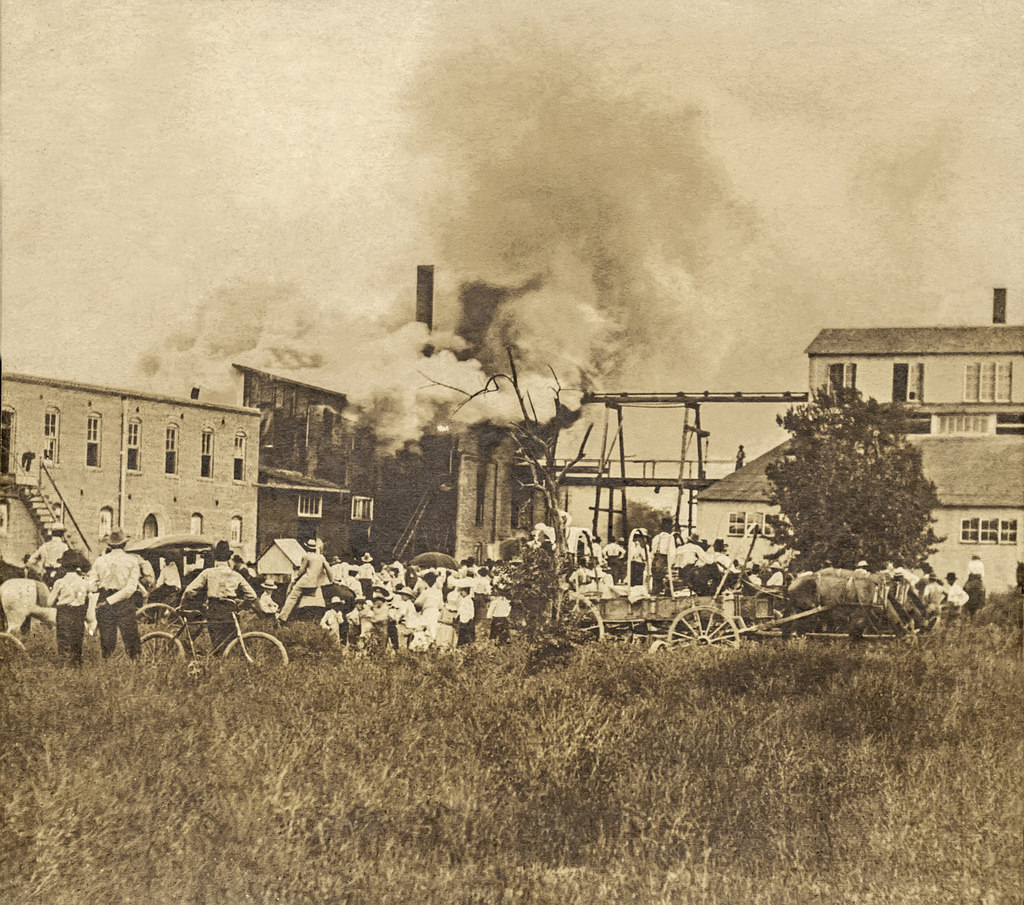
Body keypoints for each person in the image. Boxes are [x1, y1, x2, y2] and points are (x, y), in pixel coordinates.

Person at [181, 540, 258, 651]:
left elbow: (189, 591)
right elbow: (252, 596)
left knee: (216, 642)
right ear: (228, 558)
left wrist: (183, 605)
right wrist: (242, 606)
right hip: (230, 610)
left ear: (215, 557)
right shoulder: (236, 575)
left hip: (214, 609)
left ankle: (215, 656)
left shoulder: (208, 572)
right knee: (229, 642)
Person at [86, 527, 142, 660]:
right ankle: (136, 666)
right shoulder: (133, 561)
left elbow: (91, 586)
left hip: (104, 600)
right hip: (125, 602)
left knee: (106, 641)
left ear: (109, 544)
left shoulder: (100, 560)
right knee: (131, 639)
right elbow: (130, 589)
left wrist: (103, 592)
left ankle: (107, 666)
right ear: (124, 544)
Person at [48, 550, 96, 667]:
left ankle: (64, 663)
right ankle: (76, 664)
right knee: (77, 639)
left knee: (63, 638)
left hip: (64, 612)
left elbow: (49, 603)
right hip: (78, 613)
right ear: (77, 566)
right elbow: (92, 590)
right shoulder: (83, 581)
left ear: (63, 566)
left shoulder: (60, 582)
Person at [278, 538, 333, 623]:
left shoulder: (306, 556)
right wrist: (332, 580)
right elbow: (329, 569)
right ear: (315, 548)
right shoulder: (321, 557)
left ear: (307, 547)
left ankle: (282, 618)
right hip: (315, 584)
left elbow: (302, 570)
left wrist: (295, 579)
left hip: (305, 581)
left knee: (291, 597)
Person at [650, 518, 677, 596]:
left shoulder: (656, 537)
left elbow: (652, 552)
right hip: (663, 560)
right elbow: (672, 553)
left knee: (656, 580)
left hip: (655, 560)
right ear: (669, 527)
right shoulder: (670, 538)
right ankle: (665, 595)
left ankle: (654, 596)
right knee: (665, 578)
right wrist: (671, 565)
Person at [455, 579, 477, 647]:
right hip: (463, 619)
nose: (461, 593)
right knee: (462, 635)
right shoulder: (464, 600)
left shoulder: (468, 600)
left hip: (467, 620)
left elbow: (471, 611)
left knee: (467, 636)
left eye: (462, 591)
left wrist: (469, 619)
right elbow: (460, 610)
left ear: (466, 591)